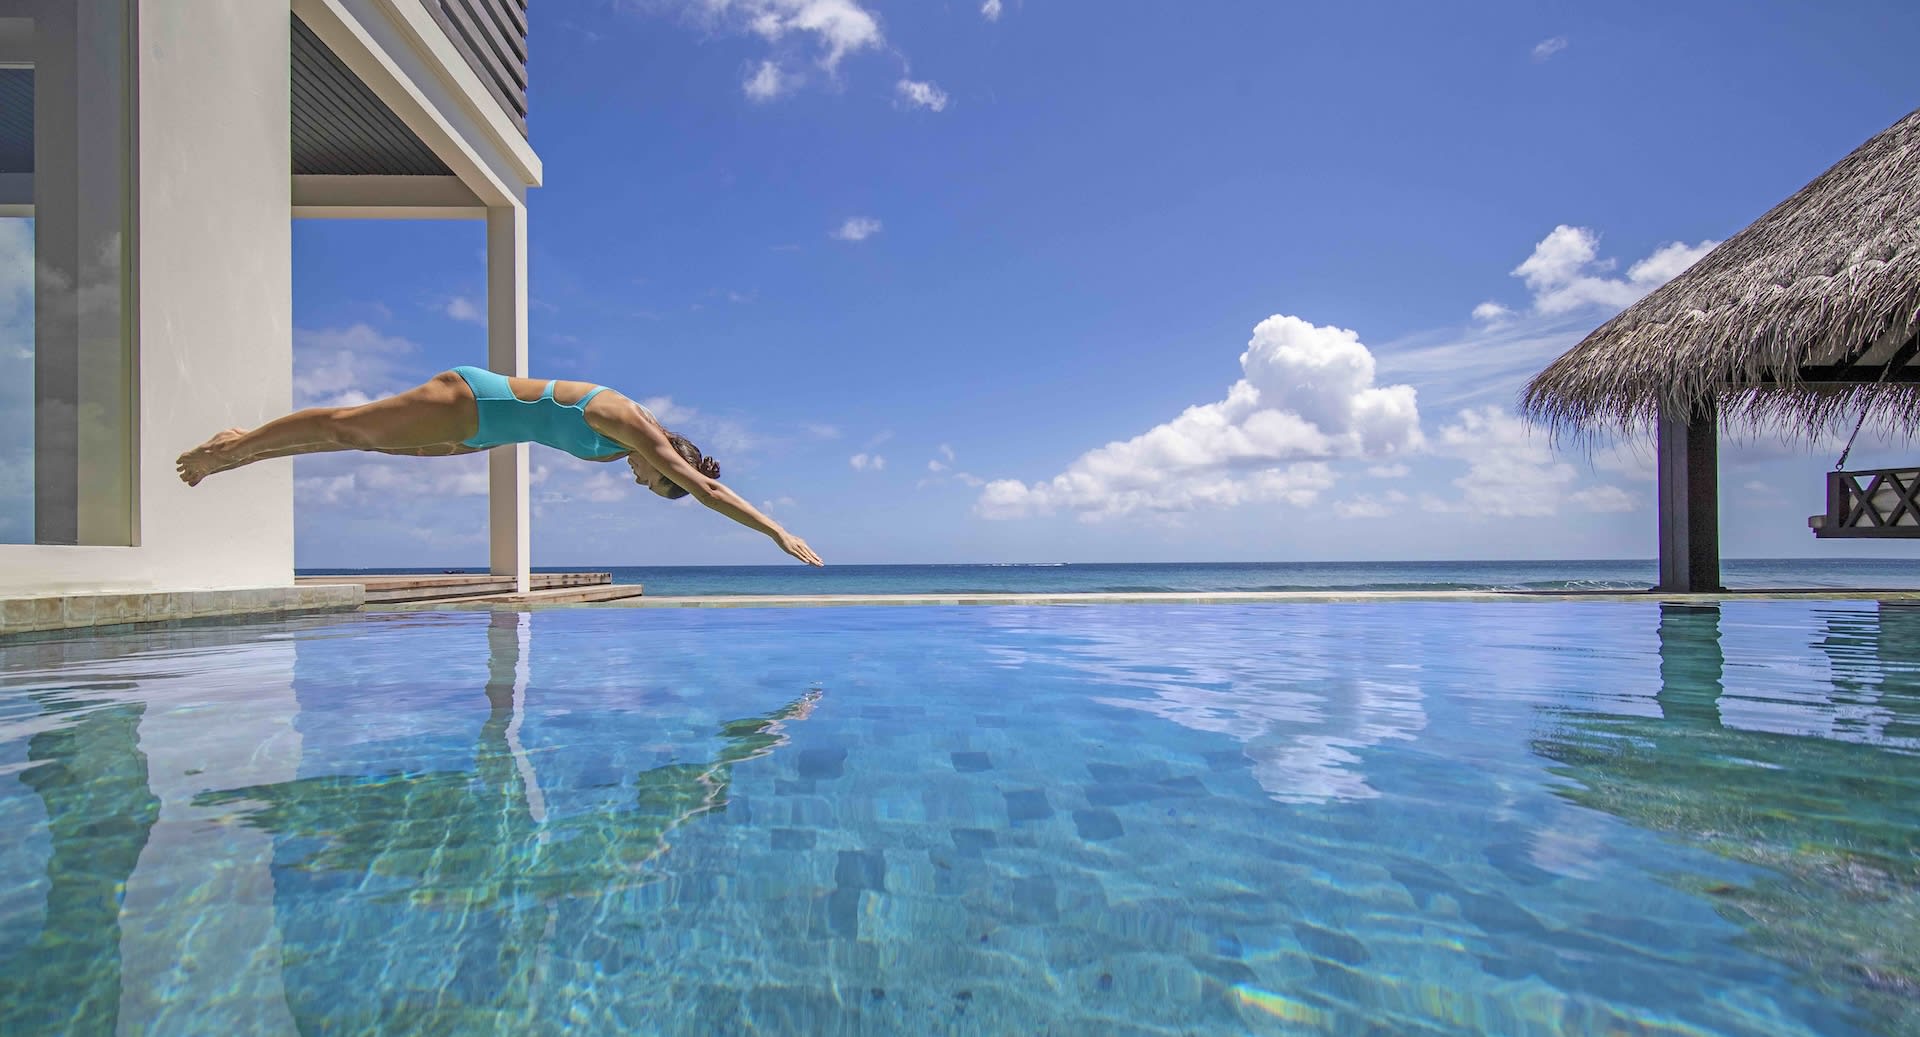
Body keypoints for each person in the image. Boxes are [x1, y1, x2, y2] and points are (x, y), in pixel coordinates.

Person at [176, 366, 824, 566]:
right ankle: (236, 442)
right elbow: (707, 490)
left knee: (362, 445)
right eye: (657, 484)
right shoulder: (633, 424)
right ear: (668, 465)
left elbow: (545, 430)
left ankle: (244, 451)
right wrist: (776, 531)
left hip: (482, 431)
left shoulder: (626, 444)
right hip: (472, 401)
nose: (640, 483)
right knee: (349, 425)